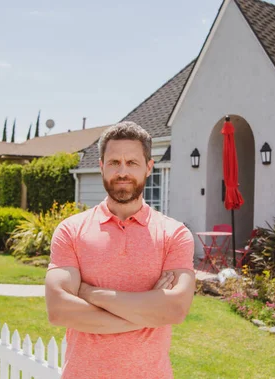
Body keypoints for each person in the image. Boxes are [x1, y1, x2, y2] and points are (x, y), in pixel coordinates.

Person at [45, 121, 196, 379]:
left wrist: (89, 293)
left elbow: (174, 310)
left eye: (132, 163)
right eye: (114, 162)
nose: (122, 171)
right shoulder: (71, 230)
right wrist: (147, 313)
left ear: (149, 167)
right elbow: (59, 310)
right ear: (102, 165)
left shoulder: (174, 234)